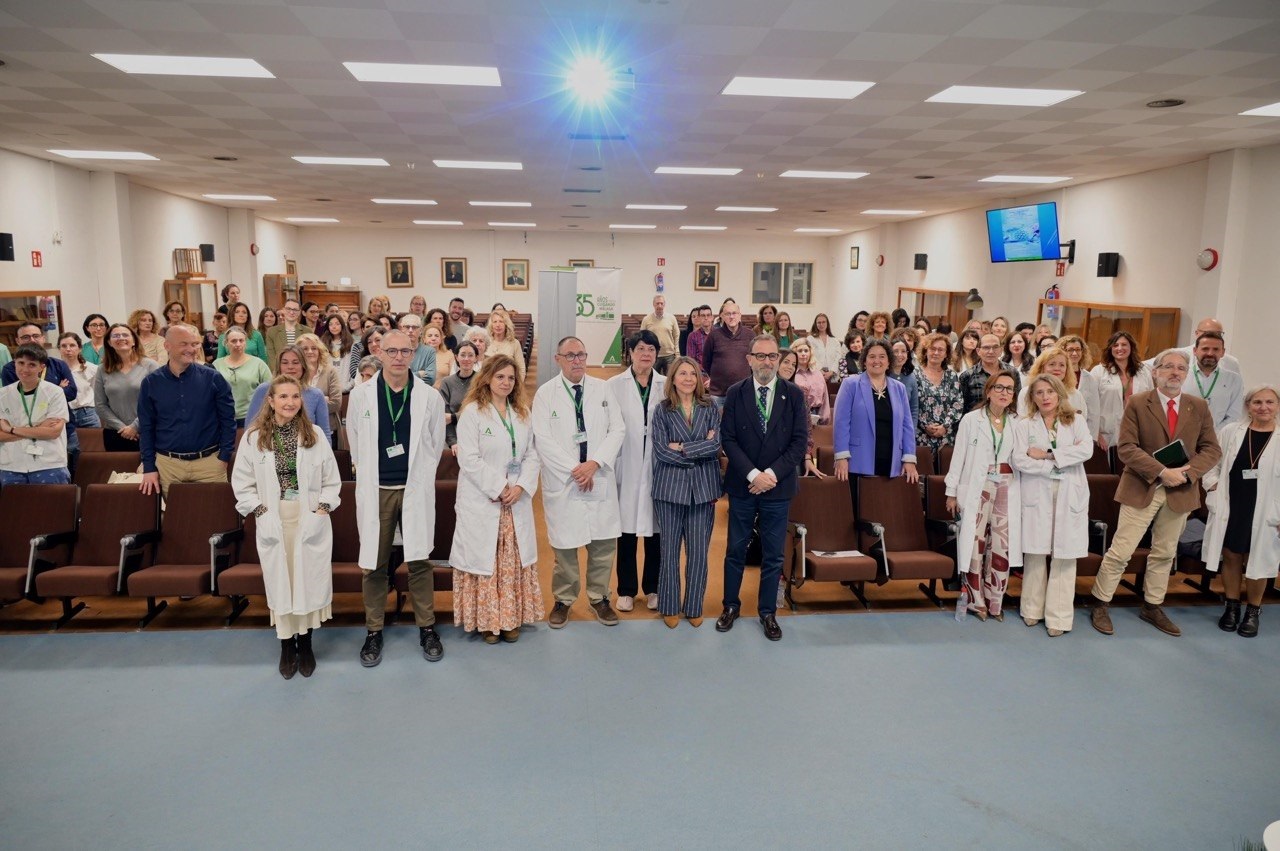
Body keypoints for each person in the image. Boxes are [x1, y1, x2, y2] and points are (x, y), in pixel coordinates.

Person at [1090, 349, 1222, 637]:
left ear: (1186, 374)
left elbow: (1212, 449)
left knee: (1165, 552)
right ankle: (1100, 603)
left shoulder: (1198, 406)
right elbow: (1127, 448)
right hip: (1142, 486)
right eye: (1168, 367)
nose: (1175, 372)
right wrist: (1162, 471)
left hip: (1181, 490)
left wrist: (1186, 473)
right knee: (1121, 550)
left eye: (1181, 368)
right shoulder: (1138, 402)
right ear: (1155, 372)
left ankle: (1152, 605)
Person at [346, 329, 446, 666]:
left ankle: (427, 627)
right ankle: (373, 630)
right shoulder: (360, 395)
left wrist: (420, 478)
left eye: (405, 351)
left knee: (419, 561)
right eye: (392, 351)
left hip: (414, 489)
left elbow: (435, 444)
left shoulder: (430, 397)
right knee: (374, 564)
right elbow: (354, 441)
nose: (399, 357)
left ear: (413, 354)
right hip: (377, 491)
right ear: (380, 353)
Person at [232, 375, 341, 679]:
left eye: (295, 396)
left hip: (309, 520)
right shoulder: (254, 438)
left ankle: (305, 644)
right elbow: (242, 483)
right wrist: (261, 511)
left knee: (306, 584)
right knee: (282, 585)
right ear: (270, 401)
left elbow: (331, 481)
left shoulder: (315, 435)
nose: (290, 402)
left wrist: (322, 509)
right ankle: (285, 645)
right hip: (274, 519)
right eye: (283, 397)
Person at [717, 334, 808, 641]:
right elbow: (728, 439)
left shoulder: (793, 394)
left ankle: (767, 612)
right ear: (749, 359)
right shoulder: (735, 392)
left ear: (778, 360)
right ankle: (730, 606)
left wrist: (769, 475)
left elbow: (799, 443)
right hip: (744, 485)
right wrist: (753, 474)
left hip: (777, 487)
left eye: (772, 356)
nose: (767, 362)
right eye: (761, 356)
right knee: (735, 550)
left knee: (773, 555)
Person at [532, 336, 626, 629]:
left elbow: (618, 429)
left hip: (598, 477)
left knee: (603, 545)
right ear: (557, 359)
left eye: (581, 355)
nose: (577, 360)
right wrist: (575, 469)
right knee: (565, 548)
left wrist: (594, 464)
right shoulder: (545, 394)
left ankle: (600, 598)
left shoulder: (603, 388)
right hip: (566, 481)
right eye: (570, 355)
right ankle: (563, 599)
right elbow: (542, 439)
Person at [449, 355, 543, 644]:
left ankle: (510, 619)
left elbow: (532, 455)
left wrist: (521, 486)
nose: (506, 382)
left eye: (511, 378)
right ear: (487, 378)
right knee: (486, 561)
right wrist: (500, 487)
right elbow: (469, 458)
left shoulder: (522, 412)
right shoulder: (473, 412)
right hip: (485, 498)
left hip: (515, 501)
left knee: (510, 562)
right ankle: (488, 623)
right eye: (500, 376)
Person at [1010, 375, 1092, 636]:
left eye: (1050, 391)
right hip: (1038, 492)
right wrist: (1055, 466)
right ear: (1032, 397)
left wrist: (1046, 455)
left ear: (1059, 394)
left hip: (1069, 492)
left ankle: (1059, 618)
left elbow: (1086, 450)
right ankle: (1032, 609)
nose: (1045, 397)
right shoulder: (1024, 425)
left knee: (1064, 557)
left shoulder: (1076, 421)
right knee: (1035, 554)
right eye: (1039, 393)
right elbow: (1020, 460)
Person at [1202, 386, 1280, 637]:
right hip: (1232, 503)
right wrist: (1212, 485)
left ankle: (1253, 611)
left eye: (1269, 402)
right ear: (1248, 406)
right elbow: (1212, 463)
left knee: (1258, 560)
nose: (1263, 407)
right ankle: (1232, 606)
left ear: (1278, 406)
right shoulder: (1231, 432)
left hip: (1266, 509)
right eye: (1257, 402)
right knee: (1231, 555)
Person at [651, 356, 722, 628]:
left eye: (693, 374)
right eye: (682, 374)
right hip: (669, 489)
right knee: (669, 551)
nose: (688, 379)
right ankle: (669, 605)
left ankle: (693, 606)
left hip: (703, 490)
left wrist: (681, 447)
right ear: (673, 378)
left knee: (699, 553)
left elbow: (715, 446)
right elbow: (661, 451)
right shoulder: (662, 410)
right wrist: (699, 448)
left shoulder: (710, 407)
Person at [946, 370, 1022, 621]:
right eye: (998, 387)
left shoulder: (1017, 422)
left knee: (1000, 546)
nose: (1004, 393)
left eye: (1009, 389)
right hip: (978, 487)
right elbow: (958, 457)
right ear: (988, 392)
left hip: (1006, 487)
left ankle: (995, 601)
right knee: (975, 544)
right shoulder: (971, 420)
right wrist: (951, 492)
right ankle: (974, 600)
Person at [136, 324, 236, 498]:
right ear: (167, 346)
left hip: (209, 464)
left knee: (215, 513)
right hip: (168, 466)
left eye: (194, 344)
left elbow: (228, 421)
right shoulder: (151, 383)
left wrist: (224, 457)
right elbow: (146, 428)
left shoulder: (213, 378)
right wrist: (149, 467)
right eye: (184, 344)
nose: (191, 349)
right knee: (174, 514)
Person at [608, 331, 666, 613]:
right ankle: (627, 590)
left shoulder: (666, 385)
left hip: (657, 466)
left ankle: (653, 588)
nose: (646, 354)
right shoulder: (613, 385)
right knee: (626, 533)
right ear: (630, 352)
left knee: (656, 532)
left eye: (651, 349)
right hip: (626, 464)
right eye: (641, 348)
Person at [833, 340, 919, 483]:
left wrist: (909, 458)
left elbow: (907, 426)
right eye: (872, 356)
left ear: (889, 362)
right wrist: (841, 457)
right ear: (864, 361)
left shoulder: (899, 388)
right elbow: (841, 423)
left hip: (892, 463)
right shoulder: (850, 384)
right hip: (857, 462)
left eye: (882, 356)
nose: (877, 361)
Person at [0, 344, 70, 485]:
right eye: (21, 363)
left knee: (53, 500)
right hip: (12, 465)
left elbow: (53, 432)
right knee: (14, 501)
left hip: (49, 463)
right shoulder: (3, 394)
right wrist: (38, 429)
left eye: (32, 365)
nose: (25, 369)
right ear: (14, 363)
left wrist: (11, 429)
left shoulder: (55, 392)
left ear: (41, 367)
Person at [93, 323, 159, 452]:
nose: (121, 338)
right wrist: (123, 428)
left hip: (147, 430)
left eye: (125, 335)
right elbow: (100, 405)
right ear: (109, 342)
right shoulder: (102, 369)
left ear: (134, 341)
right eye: (116, 336)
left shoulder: (150, 365)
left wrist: (135, 426)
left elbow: (157, 401)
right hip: (115, 433)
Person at [245, 347, 332, 445]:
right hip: (267, 449)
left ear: (303, 366)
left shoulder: (316, 395)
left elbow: (325, 434)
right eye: (285, 363)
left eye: (295, 362)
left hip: (306, 450)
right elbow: (250, 427)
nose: (290, 367)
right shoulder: (263, 390)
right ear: (279, 366)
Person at [1090, 330, 1153, 451]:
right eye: (1115, 345)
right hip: (1106, 434)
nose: (1120, 348)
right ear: (1110, 348)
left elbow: (1151, 402)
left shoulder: (1143, 371)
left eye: (1124, 345)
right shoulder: (1099, 372)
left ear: (1131, 347)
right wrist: (1096, 433)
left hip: (1136, 431)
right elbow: (1090, 405)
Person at [777, 346, 826, 480]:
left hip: (792, 453)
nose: (790, 367)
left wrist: (807, 457)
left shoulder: (799, 393)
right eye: (786, 362)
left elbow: (806, 428)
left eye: (794, 364)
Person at [1181, 331, 1244, 432]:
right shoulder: (1181, 375)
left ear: (1222, 352)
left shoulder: (1234, 380)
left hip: (1217, 437)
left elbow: (1234, 416)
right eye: (1205, 349)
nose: (1210, 353)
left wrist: (1212, 434)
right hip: (1182, 435)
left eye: (1216, 349)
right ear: (1195, 351)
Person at [212, 326, 272, 427]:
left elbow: (270, 389)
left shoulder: (258, 364)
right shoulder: (217, 364)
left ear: (245, 342)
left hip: (252, 416)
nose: (238, 344)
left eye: (241, 340)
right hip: (223, 417)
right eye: (233, 341)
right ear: (226, 343)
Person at [916, 332, 963, 456]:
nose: (936, 353)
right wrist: (925, 425)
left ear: (946, 354)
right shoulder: (915, 375)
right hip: (920, 437)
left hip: (946, 437)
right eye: (932, 349)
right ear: (926, 351)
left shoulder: (951, 376)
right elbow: (911, 405)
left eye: (940, 350)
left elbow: (958, 404)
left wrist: (945, 426)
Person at [701, 299, 753, 408]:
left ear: (740, 315)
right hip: (718, 394)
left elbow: (755, 361)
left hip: (743, 392)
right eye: (728, 314)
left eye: (734, 313)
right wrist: (718, 375)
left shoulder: (750, 335)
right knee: (716, 419)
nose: (731, 316)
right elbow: (706, 361)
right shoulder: (714, 335)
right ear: (722, 316)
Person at [1017, 348, 1086, 428]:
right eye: (1052, 364)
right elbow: (1023, 423)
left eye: (1062, 365)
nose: (1057, 368)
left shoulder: (1075, 394)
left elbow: (1081, 424)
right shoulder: (1026, 392)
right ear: (1041, 367)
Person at [296, 333, 342, 438]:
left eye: (314, 348)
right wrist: (321, 400)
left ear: (319, 351)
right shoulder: (295, 373)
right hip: (300, 430)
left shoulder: (331, 371)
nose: (310, 351)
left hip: (328, 429)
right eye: (305, 349)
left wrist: (306, 403)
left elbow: (336, 403)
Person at [960, 334, 1020, 414]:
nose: (991, 351)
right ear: (978, 351)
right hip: (976, 420)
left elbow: (1017, 401)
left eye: (995, 347)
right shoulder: (967, 376)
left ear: (1001, 350)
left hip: (1006, 418)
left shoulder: (1012, 372)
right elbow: (962, 407)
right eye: (986, 347)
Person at [1057, 335, 1101, 437]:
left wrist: (1092, 438)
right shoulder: (1057, 375)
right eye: (1070, 350)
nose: (1075, 353)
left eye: (1078, 349)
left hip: (1081, 431)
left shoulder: (1089, 378)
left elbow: (1094, 413)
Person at [439, 341, 478, 452]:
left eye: (470, 355)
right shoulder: (447, 382)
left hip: (477, 434)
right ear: (456, 357)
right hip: (453, 435)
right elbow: (444, 416)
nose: (466, 359)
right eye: (463, 355)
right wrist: (453, 442)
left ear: (476, 358)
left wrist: (454, 417)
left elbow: (481, 411)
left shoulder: (482, 381)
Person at [58, 333, 100, 429]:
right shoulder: (55, 370)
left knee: (93, 438)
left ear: (80, 348)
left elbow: (97, 392)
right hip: (65, 414)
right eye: (64, 346)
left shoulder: (92, 368)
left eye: (72, 345)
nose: (68, 349)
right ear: (59, 349)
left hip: (88, 413)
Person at [640, 294, 680, 375]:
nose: (659, 305)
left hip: (669, 355)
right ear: (653, 304)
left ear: (664, 304)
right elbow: (642, 337)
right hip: (653, 354)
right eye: (657, 303)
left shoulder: (672, 318)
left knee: (669, 379)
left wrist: (677, 352)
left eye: (661, 303)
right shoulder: (646, 319)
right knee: (652, 378)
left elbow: (676, 335)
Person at [397, 313, 437, 386]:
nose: (410, 330)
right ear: (401, 329)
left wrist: (403, 378)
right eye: (407, 327)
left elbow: (430, 379)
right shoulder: (395, 351)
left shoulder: (429, 352)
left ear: (421, 330)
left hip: (421, 392)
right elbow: (394, 378)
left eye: (414, 327)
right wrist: (419, 374)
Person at [265, 299, 306, 371]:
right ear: (283, 310)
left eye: (295, 309)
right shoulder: (272, 332)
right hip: (280, 373)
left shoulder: (307, 331)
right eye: (288, 309)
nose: (291, 312)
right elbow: (272, 358)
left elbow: (308, 357)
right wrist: (279, 374)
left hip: (302, 372)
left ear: (299, 312)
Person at [888, 337, 920, 427]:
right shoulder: (883, 376)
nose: (900, 355)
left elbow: (914, 409)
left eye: (903, 351)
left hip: (905, 427)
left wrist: (912, 431)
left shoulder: (911, 377)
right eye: (895, 351)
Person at [485, 310, 523, 383]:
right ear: (491, 325)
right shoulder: (485, 341)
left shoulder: (514, 343)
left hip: (507, 383)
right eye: (495, 322)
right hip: (487, 383)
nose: (498, 325)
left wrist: (517, 386)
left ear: (506, 324)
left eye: (501, 321)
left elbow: (521, 368)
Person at [808, 313, 842, 379]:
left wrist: (831, 372)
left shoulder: (834, 340)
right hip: (815, 373)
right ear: (815, 324)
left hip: (832, 375)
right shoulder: (810, 339)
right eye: (819, 322)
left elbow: (838, 357)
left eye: (823, 322)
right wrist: (820, 370)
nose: (821, 324)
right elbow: (811, 356)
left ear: (827, 323)